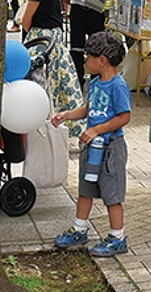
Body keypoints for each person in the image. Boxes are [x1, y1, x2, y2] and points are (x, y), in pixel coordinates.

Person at [52, 32, 132, 257]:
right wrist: (67, 115)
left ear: (102, 60)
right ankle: (80, 229)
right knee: (85, 190)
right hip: (91, 147)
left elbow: (124, 117)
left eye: (89, 57)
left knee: (112, 195)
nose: (86, 61)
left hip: (110, 149)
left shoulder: (118, 86)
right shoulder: (95, 83)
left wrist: (97, 130)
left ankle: (117, 238)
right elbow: (89, 109)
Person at [21, 0, 85, 141]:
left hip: (56, 39)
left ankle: (65, 130)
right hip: (43, 41)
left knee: (65, 84)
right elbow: (26, 19)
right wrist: (40, 37)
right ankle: (42, 133)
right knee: (45, 87)